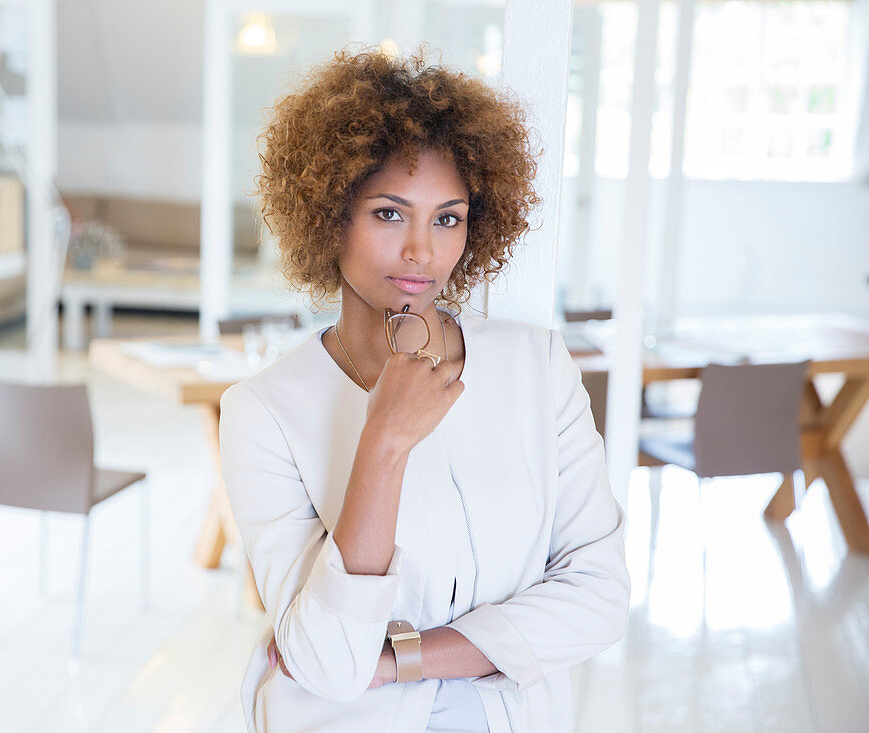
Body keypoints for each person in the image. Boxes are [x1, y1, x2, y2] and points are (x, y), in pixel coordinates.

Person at [218, 47, 629, 733]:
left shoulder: (538, 366)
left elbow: (601, 596)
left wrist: (401, 657)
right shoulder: (264, 410)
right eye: (388, 213)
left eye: (447, 217)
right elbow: (326, 664)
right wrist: (384, 442)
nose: (422, 250)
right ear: (329, 215)